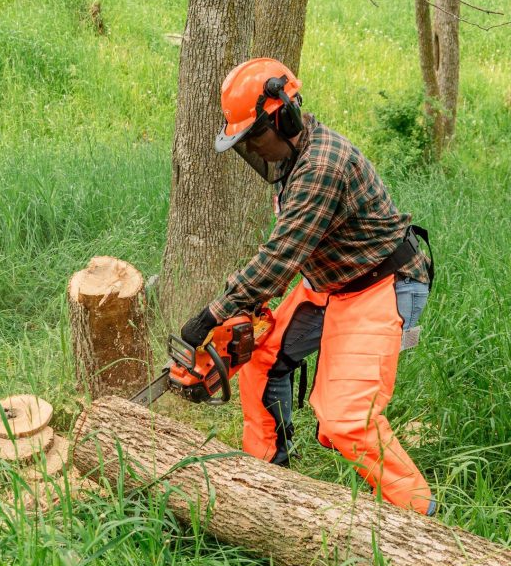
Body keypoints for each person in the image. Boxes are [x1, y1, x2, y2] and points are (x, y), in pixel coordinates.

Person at [179, 58, 435, 516]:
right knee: (257, 354)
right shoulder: (295, 160)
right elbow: (288, 254)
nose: (253, 147)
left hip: (381, 284)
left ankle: (421, 521)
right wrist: (242, 315)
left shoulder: (321, 166)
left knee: (344, 420)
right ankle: (267, 482)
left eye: (255, 134)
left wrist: (212, 314)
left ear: (286, 116)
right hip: (330, 282)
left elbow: (280, 258)